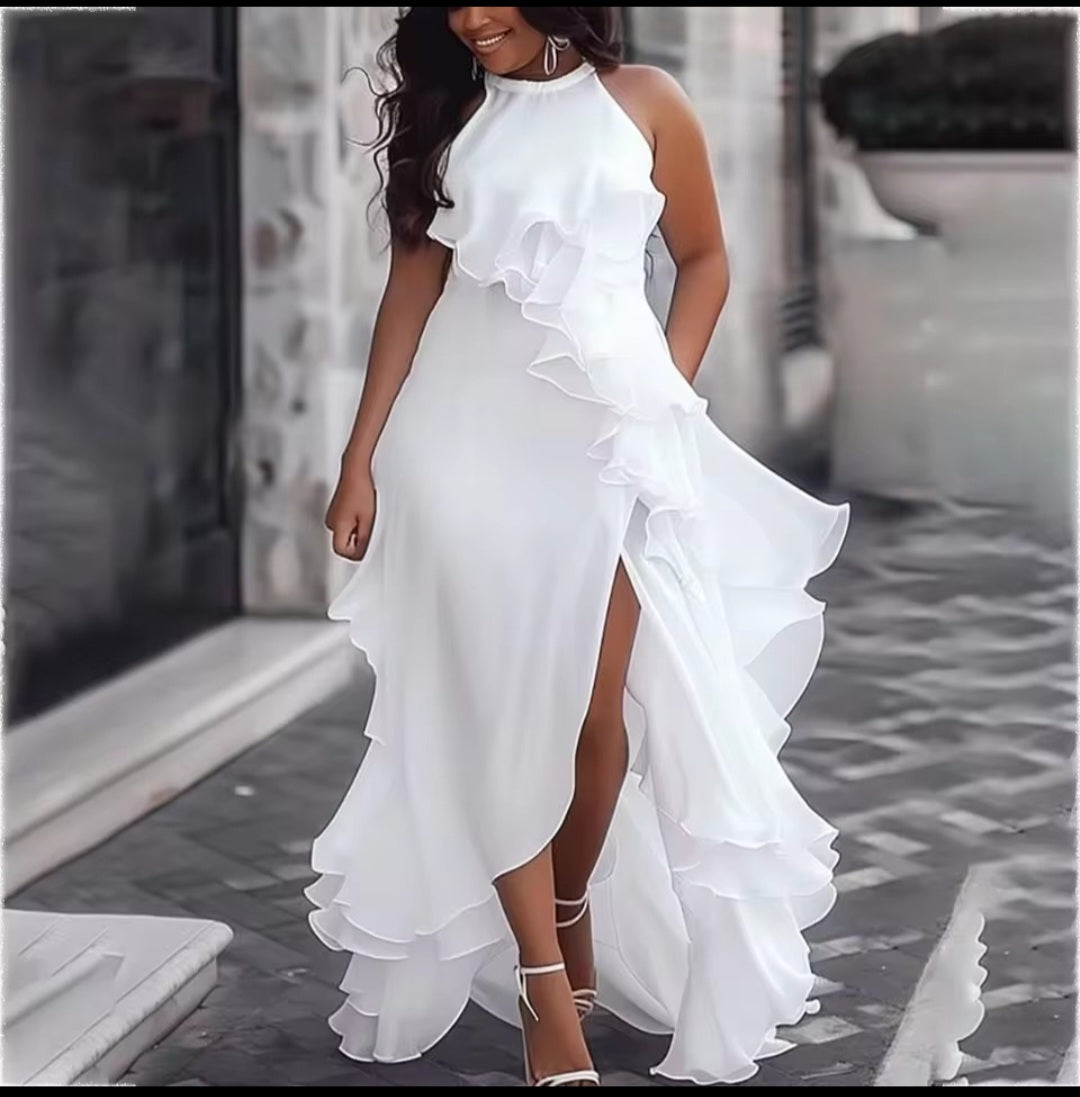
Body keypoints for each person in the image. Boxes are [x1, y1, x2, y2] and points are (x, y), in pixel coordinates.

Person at [311, 6, 849, 1087]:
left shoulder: (645, 101)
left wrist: (659, 398)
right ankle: (543, 981)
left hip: (606, 444)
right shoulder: (451, 114)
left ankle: (567, 900)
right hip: (459, 445)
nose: (472, 17)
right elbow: (412, 287)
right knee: (500, 712)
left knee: (594, 716)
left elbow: (704, 259)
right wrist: (359, 456)